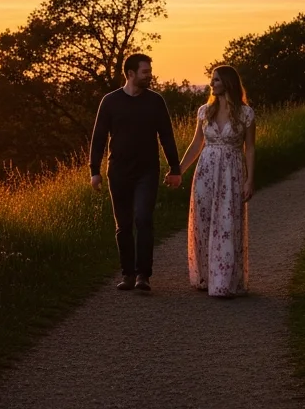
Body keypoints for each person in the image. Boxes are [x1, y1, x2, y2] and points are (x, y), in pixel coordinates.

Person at [89, 53, 182, 292]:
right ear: (130, 74)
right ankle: (127, 274)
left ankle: (143, 275)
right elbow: (99, 138)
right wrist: (94, 170)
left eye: (149, 71)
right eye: (145, 72)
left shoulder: (155, 101)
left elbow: (167, 136)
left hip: (147, 171)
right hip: (118, 171)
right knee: (123, 224)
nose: (149, 75)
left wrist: (175, 168)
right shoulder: (110, 102)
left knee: (143, 218)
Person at [177, 65, 255, 297]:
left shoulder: (246, 113)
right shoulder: (204, 111)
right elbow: (195, 145)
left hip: (232, 172)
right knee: (204, 221)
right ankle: (205, 276)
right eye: (212, 80)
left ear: (229, 83)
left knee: (227, 222)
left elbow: (249, 149)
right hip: (206, 171)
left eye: (217, 80)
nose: (212, 84)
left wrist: (250, 179)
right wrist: (179, 170)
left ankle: (224, 281)